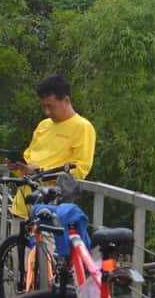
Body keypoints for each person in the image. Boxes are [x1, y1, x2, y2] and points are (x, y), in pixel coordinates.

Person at [7, 75, 96, 218]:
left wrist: (41, 172)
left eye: (50, 106)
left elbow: (79, 170)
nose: (47, 112)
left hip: (50, 211)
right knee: (15, 240)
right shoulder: (43, 125)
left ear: (66, 100)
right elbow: (28, 159)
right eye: (43, 106)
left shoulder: (83, 127)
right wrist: (18, 166)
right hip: (22, 207)